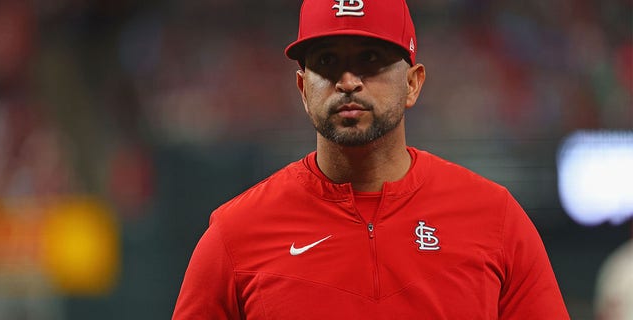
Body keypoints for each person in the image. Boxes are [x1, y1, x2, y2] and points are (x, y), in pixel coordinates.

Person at [172, 0, 570, 318]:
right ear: (302, 88)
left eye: (371, 59)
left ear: (413, 83)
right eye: (326, 61)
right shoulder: (236, 233)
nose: (348, 81)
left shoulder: (495, 219)